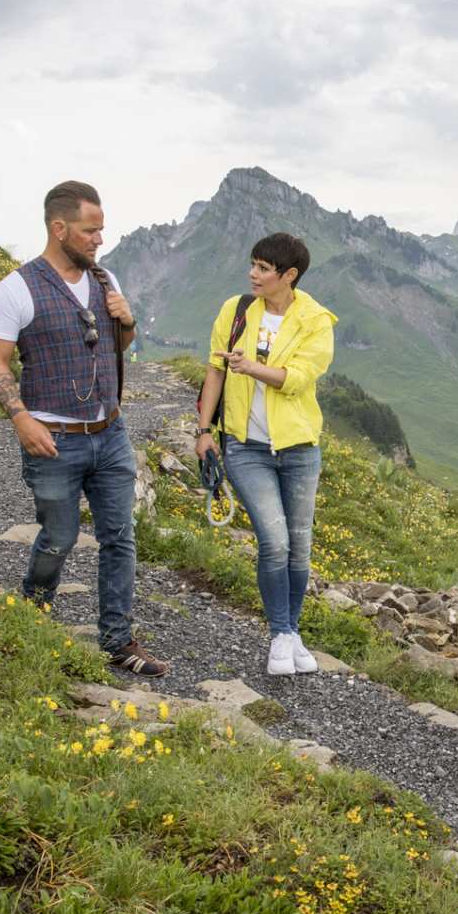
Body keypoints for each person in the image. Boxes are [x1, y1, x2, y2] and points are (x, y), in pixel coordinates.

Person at [0, 180, 167, 676]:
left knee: (119, 536)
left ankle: (118, 640)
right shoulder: (16, 288)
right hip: (53, 440)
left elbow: (114, 350)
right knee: (59, 537)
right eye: (90, 230)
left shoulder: (107, 281)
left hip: (110, 433)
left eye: (101, 230)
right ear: (58, 228)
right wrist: (20, 418)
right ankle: (33, 612)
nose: (98, 240)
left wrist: (126, 324)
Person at [193, 232, 337, 675]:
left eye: (262, 268)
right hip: (244, 446)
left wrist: (252, 367)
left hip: (298, 448)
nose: (252, 275)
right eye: (252, 265)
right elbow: (214, 371)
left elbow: (298, 377)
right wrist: (204, 431)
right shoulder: (236, 311)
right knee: (274, 542)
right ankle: (280, 634)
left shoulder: (316, 321)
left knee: (300, 547)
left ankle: (291, 633)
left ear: (288, 275)